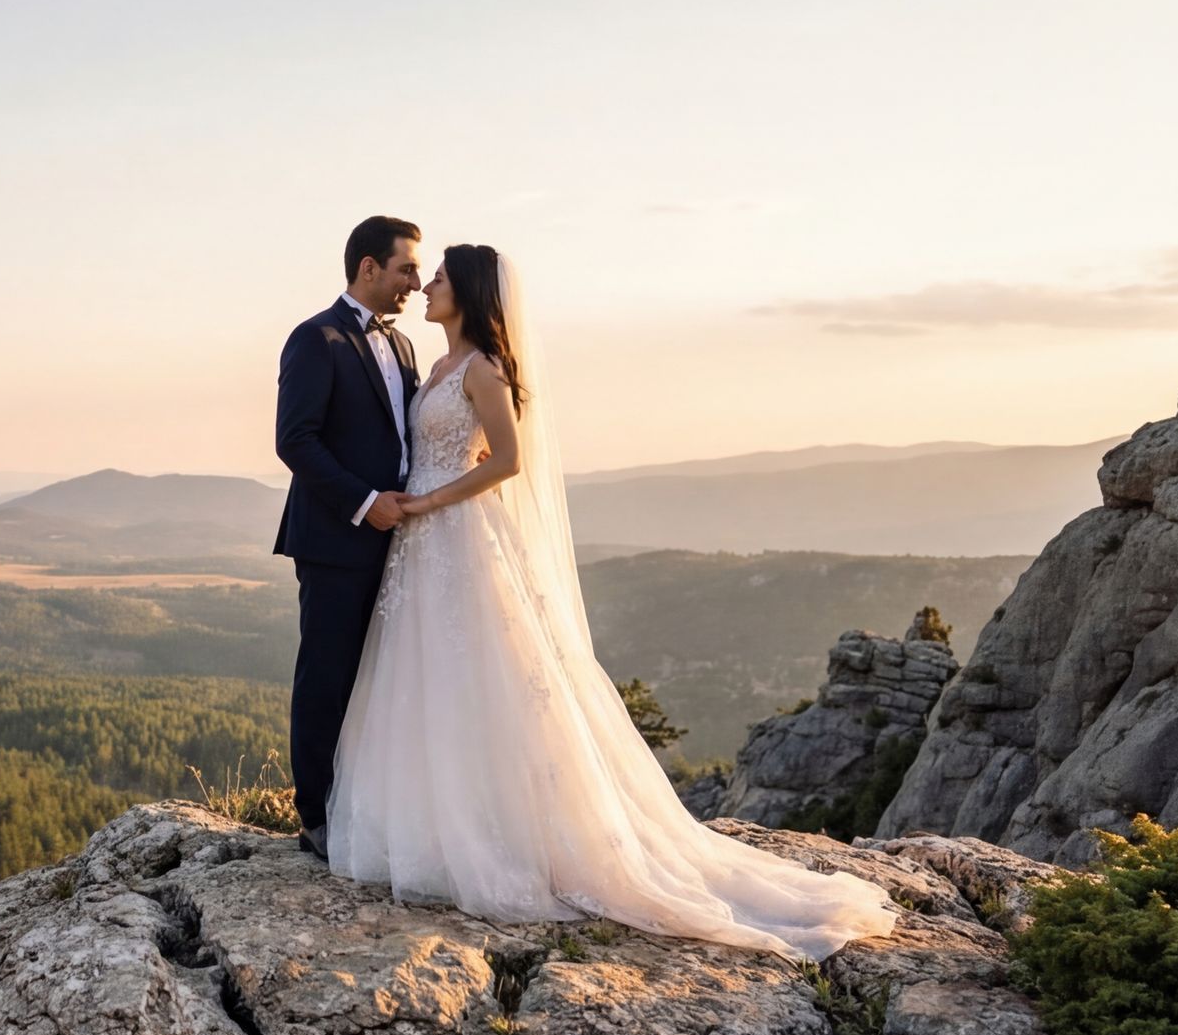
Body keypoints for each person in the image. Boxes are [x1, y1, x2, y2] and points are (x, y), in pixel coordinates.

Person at [319, 242, 896, 959]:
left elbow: (507, 460)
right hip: (419, 547)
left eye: (437, 275)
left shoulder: (483, 371)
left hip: (460, 534)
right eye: (423, 273)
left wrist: (433, 498)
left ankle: (512, 838)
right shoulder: (431, 365)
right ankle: (431, 827)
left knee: (486, 679)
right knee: (430, 681)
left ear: (467, 291)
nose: (426, 284)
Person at [271, 215, 423, 859]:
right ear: (368, 268)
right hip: (336, 540)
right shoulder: (316, 339)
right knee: (327, 679)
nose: (415, 282)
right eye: (405, 269)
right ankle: (317, 819)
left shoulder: (406, 346)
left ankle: (364, 807)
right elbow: (294, 440)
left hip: (400, 542)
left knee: (381, 681)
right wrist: (365, 505)